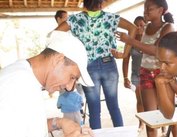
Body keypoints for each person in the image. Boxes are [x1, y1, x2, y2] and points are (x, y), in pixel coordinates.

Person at [0, 30, 116, 137]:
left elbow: (20, 125)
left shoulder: (24, 76)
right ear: (59, 60)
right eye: (72, 77)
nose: (69, 88)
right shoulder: (15, 85)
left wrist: (59, 123)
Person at [115, 0, 177, 137]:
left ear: (161, 10)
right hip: (145, 72)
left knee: (168, 112)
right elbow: (137, 50)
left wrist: (130, 40)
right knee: (150, 115)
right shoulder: (145, 28)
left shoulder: (167, 28)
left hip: (163, 74)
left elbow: (157, 50)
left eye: (149, 9)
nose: (145, 12)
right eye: (144, 9)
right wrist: (123, 50)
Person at [55, 0, 136, 130]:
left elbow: (54, 35)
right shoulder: (111, 18)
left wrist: (69, 54)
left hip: (88, 67)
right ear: (101, 3)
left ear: (84, 3)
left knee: (94, 109)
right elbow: (133, 28)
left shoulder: (75, 20)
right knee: (114, 106)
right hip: (108, 64)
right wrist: (125, 54)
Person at [122, 16, 146, 132]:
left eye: (142, 25)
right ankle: (141, 123)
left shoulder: (150, 40)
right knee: (140, 100)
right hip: (136, 75)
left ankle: (162, 126)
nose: (139, 28)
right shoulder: (130, 42)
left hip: (151, 75)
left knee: (155, 101)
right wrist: (125, 77)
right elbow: (125, 60)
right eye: (136, 26)